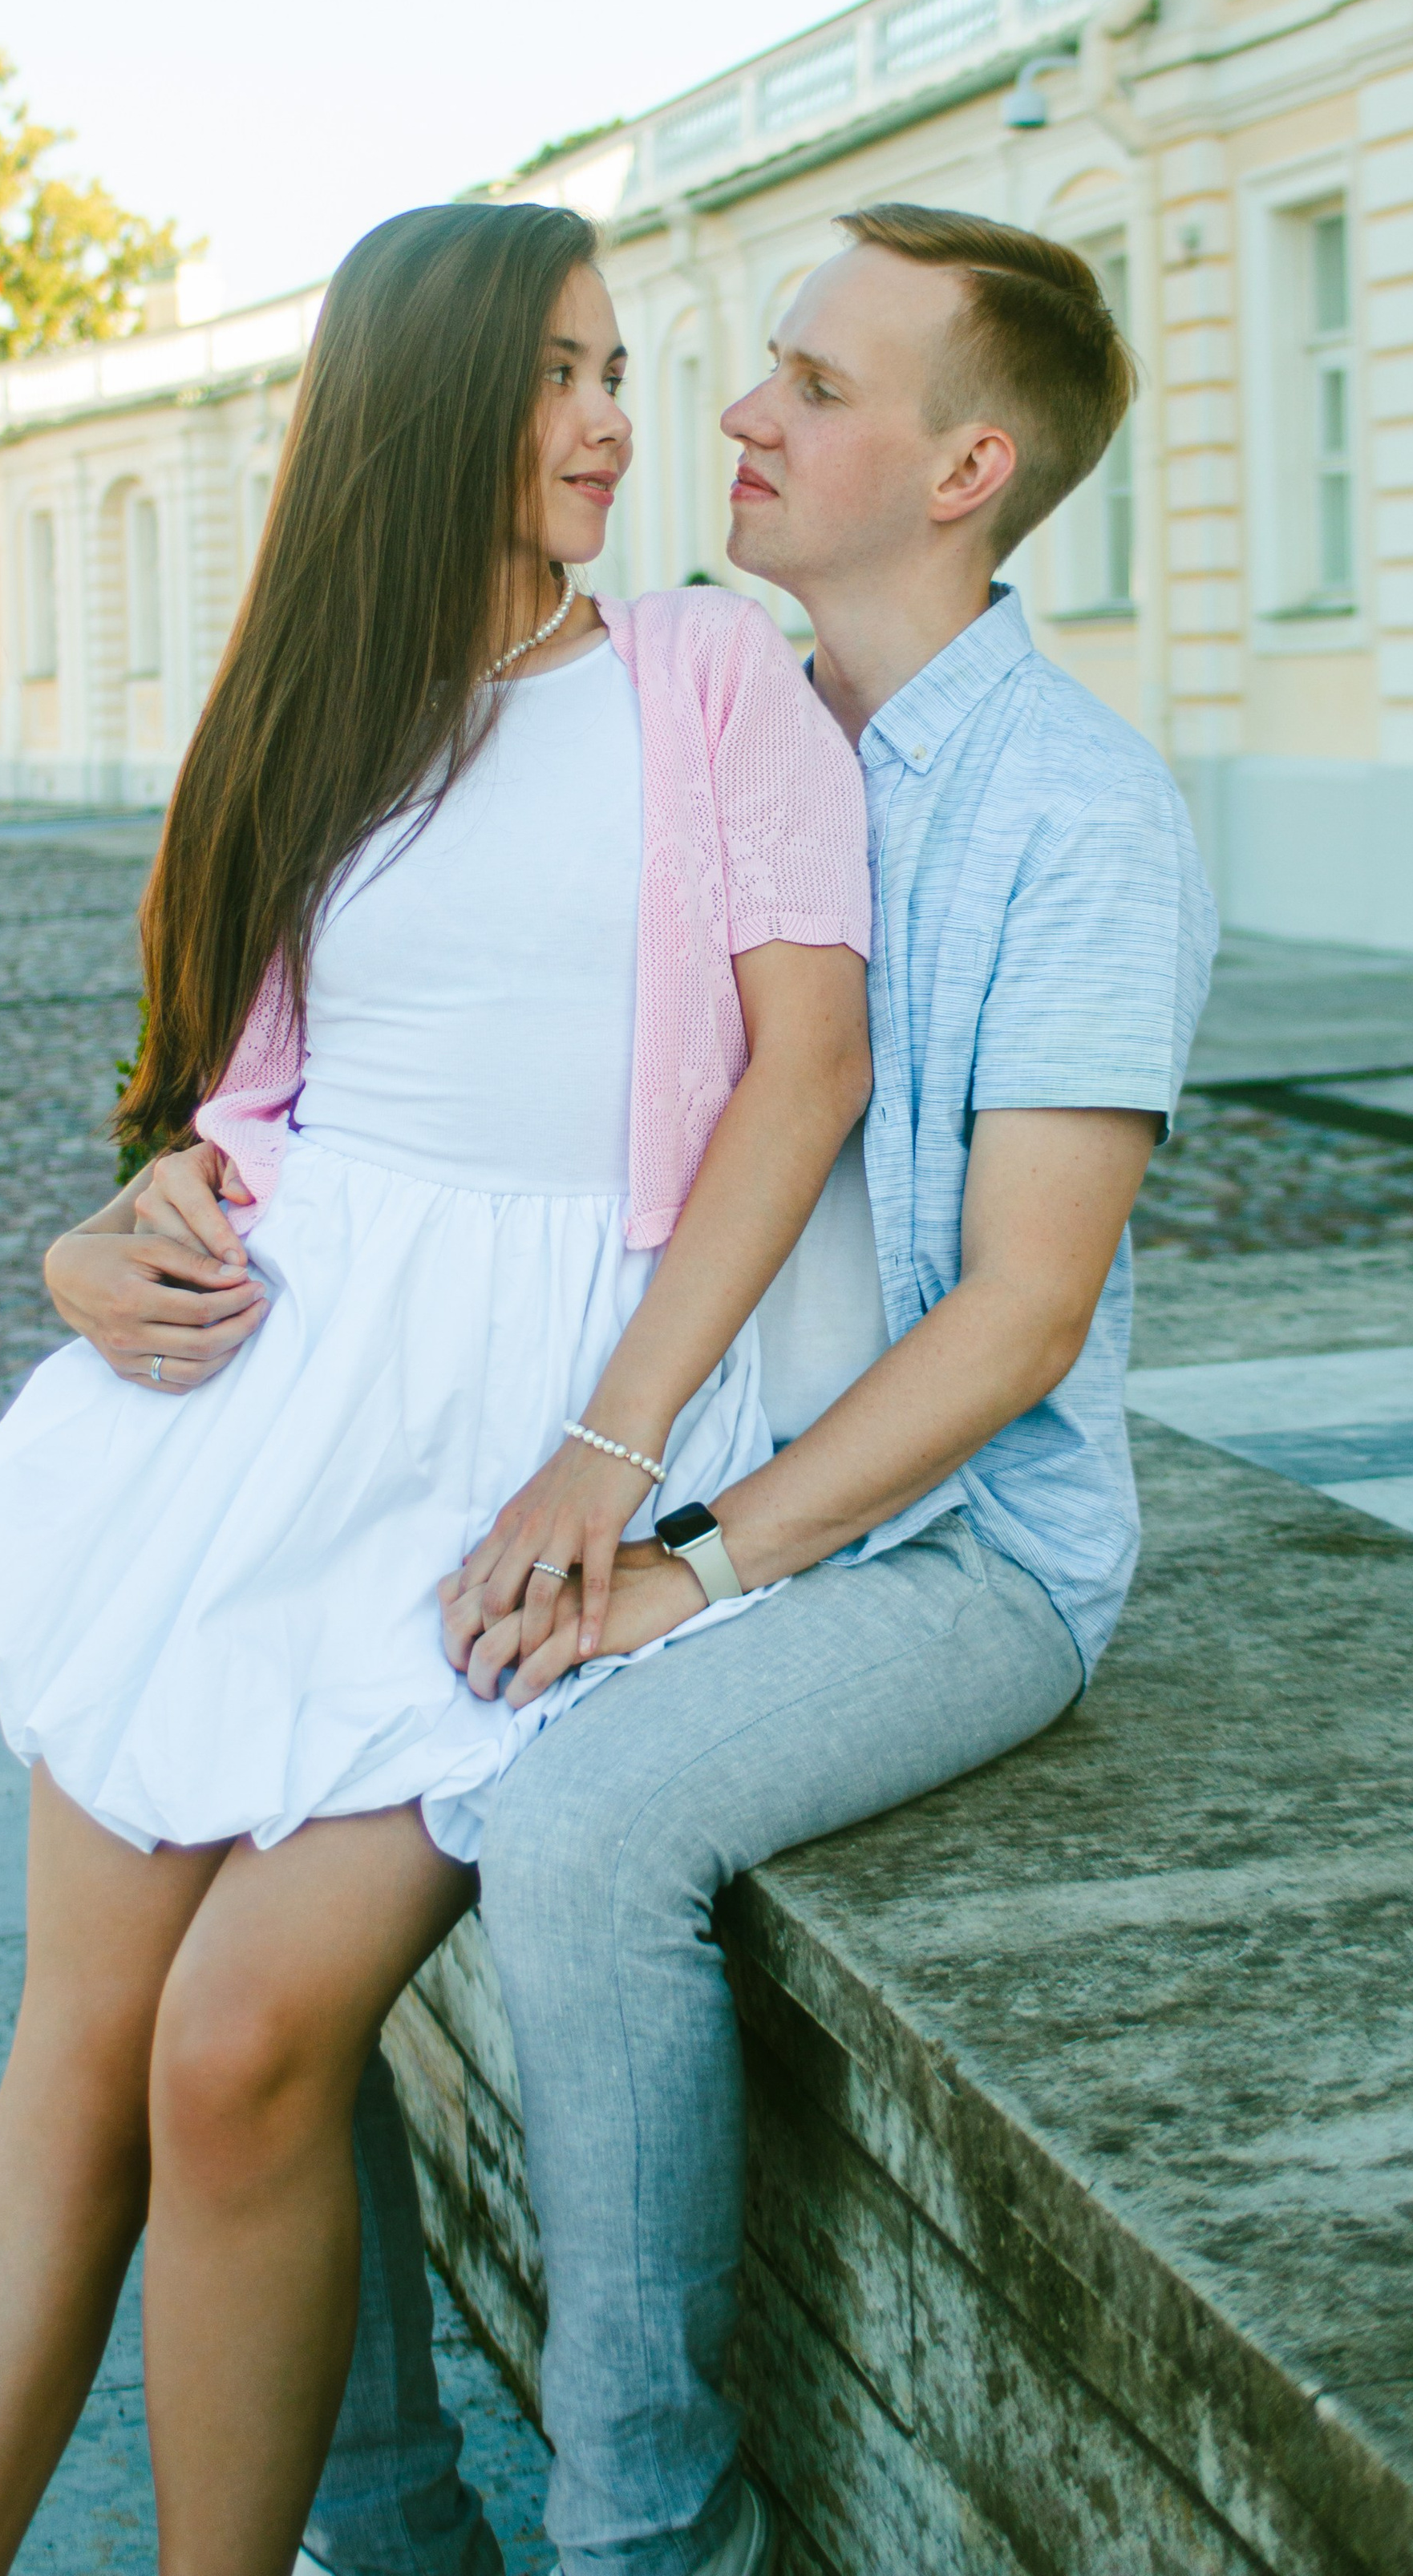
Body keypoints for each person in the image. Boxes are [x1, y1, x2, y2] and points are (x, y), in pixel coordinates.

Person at [62, 202, 1217, 2576]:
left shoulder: (1074, 818)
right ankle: (381, 2517)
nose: (736, 409)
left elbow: (1017, 1328)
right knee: (295, 1761)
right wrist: (135, 1222)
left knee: (581, 1829)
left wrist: (680, 1563)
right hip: (689, 1464)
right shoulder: (727, 710)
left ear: (971, 463)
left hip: (949, 1544)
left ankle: (647, 2540)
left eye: (813, 383)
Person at [0, 198, 872, 2576]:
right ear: (424, 399)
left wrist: (605, 1453)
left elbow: (802, 1076)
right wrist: (107, 1232)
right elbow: (232, 1105)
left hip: (544, 1426)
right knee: (76, 2072)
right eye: (555, 370)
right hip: (263, 1407)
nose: (614, 418)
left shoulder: (714, 680)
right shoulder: (308, 709)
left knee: (237, 2052)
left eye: (618, 366)